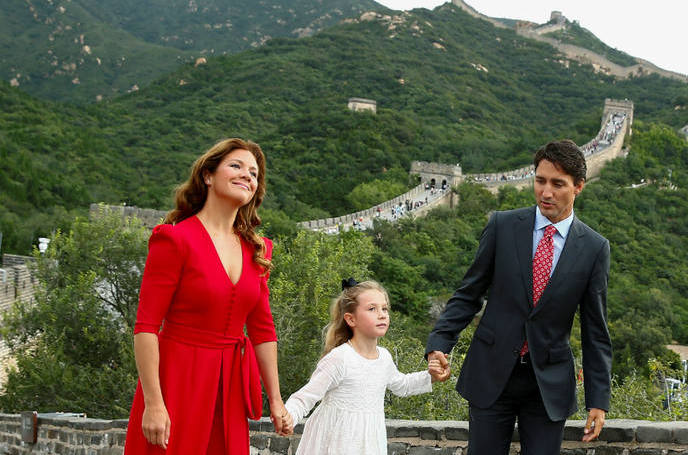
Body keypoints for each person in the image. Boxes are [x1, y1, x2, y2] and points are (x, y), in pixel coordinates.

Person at [425, 140, 612, 454]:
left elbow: (596, 331)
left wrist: (598, 399)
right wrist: (439, 343)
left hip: (547, 385)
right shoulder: (503, 225)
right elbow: (469, 294)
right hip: (491, 371)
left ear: (579, 187)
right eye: (540, 181)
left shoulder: (594, 248)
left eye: (558, 184)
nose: (546, 192)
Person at [125, 138, 293, 455]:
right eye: (236, 166)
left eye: (254, 173)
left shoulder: (259, 251)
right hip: (177, 381)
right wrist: (154, 403)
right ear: (208, 175)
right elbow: (146, 326)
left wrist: (276, 399)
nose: (247, 175)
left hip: (228, 389)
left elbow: (262, 331)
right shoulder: (173, 240)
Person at [285, 279, 450, 455]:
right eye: (372, 309)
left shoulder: (384, 357)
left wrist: (431, 375)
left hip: (369, 442)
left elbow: (402, 385)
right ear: (351, 319)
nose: (382, 314)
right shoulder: (340, 358)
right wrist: (288, 417)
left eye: (384, 309)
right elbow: (306, 397)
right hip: (336, 442)